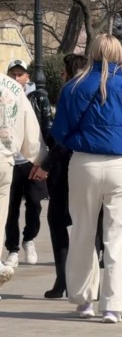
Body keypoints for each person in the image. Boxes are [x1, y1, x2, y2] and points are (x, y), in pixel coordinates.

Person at [51, 33, 122, 323]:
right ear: (120, 56)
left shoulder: (73, 87)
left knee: (82, 231)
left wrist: (78, 141)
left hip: (84, 162)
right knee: (119, 236)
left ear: (93, 54)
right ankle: (113, 305)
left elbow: (59, 130)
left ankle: (84, 300)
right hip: (121, 164)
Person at [35, 54, 87, 299]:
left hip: (64, 167)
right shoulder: (93, 93)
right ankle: (86, 281)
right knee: (87, 224)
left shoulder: (69, 93)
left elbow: (62, 137)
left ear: (68, 72)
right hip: (86, 165)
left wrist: (46, 164)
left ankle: (63, 279)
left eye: (64, 72)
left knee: (57, 221)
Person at [5, 60, 49, 269]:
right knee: (10, 207)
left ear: (27, 77)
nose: (16, 78)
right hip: (9, 160)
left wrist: (43, 161)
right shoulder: (4, 94)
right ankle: (12, 249)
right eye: (13, 74)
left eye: (20, 74)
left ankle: (29, 238)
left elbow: (43, 126)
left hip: (31, 161)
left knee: (34, 203)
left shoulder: (37, 98)